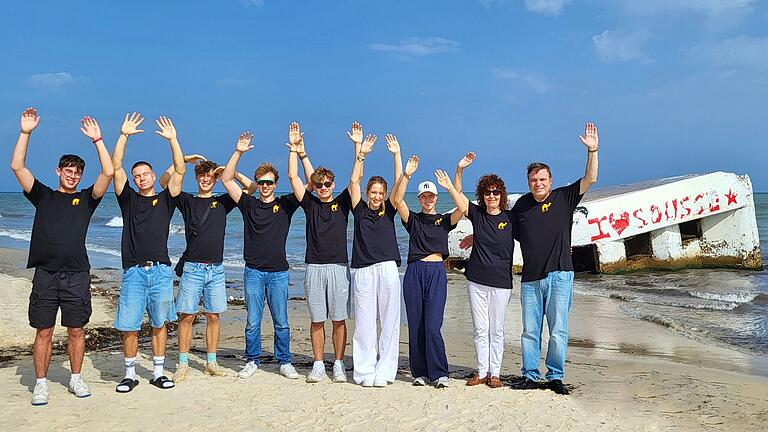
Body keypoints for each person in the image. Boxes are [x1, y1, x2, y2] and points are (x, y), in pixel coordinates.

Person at [11, 108, 113, 405]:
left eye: (77, 172)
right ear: (59, 171)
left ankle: (76, 378)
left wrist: (98, 140)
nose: (73, 175)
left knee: (77, 330)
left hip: (77, 274)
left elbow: (108, 172)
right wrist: (25, 132)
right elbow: (17, 166)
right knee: (44, 331)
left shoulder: (86, 201)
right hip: (45, 273)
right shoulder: (43, 195)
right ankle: (41, 383)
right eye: (68, 171)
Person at [514, 122, 599, 395]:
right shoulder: (522, 205)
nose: (538, 184)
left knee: (558, 330)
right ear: (528, 182)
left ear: (550, 180)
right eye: (533, 180)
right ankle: (529, 374)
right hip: (530, 278)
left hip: (560, 275)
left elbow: (591, 179)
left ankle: (554, 376)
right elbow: (502, 231)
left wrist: (593, 151)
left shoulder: (564, 197)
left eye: (542, 179)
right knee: (529, 331)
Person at [220, 131, 312, 380]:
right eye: (261, 182)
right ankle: (252, 360)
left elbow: (310, 184)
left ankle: (284, 361)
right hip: (253, 272)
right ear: (257, 184)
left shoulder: (285, 205)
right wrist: (238, 151)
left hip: (279, 273)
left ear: (276, 183)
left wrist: (298, 152)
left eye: (270, 182)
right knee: (253, 321)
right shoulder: (248, 204)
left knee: (282, 322)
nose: (265, 186)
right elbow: (227, 180)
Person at [111, 113, 184, 393]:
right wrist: (124, 136)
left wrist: (173, 140)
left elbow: (179, 170)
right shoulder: (127, 199)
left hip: (162, 271)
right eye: (137, 176)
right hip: (133, 271)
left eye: (145, 174)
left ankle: (157, 372)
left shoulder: (166, 200)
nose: (141, 179)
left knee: (159, 323)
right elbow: (116, 166)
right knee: (129, 325)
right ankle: (129, 374)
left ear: (154, 176)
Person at [435, 152, 515, 389]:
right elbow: (458, 196)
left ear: (502, 195)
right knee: (480, 329)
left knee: (497, 329)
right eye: (488, 192)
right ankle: (481, 372)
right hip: (477, 280)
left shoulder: (511, 219)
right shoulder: (477, 215)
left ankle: (496, 374)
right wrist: (458, 171)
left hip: (501, 282)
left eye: (496, 192)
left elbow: (534, 235)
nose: (492, 196)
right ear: (482, 195)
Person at [157, 156, 237, 382]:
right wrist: (181, 160)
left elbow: (249, 190)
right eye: (202, 175)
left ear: (215, 178)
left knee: (213, 316)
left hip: (216, 269)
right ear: (196, 177)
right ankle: (183, 363)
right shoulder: (188, 201)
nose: (205, 179)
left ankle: (211, 362)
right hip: (192, 268)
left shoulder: (223, 202)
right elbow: (165, 183)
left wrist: (228, 174)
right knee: (187, 316)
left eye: (210, 176)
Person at [286, 122, 353, 383]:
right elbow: (294, 178)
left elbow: (355, 179)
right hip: (313, 267)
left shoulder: (343, 203)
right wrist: (296, 150)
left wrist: (358, 150)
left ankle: (337, 363)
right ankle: (317, 364)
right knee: (317, 319)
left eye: (327, 184)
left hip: (338, 267)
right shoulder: (310, 204)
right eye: (320, 185)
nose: (324, 187)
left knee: (338, 319)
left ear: (333, 184)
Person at [391, 150, 463, 388]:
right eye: (424, 196)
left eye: (431, 196)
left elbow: (462, 208)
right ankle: (419, 373)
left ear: (435, 197)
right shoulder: (413, 220)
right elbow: (397, 200)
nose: (428, 199)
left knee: (433, 326)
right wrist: (407, 175)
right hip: (414, 273)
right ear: (420, 198)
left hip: (436, 274)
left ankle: (440, 373)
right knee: (416, 325)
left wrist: (451, 186)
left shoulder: (444, 220)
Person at [348, 124, 403, 387]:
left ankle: (385, 372)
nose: (377, 196)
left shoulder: (390, 209)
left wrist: (396, 154)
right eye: (374, 192)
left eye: (381, 193)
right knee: (365, 323)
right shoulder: (358, 209)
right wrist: (361, 154)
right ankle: (364, 371)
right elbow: (354, 181)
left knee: (390, 321)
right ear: (368, 193)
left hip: (388, 268)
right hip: (362, 270)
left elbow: (400, 185)